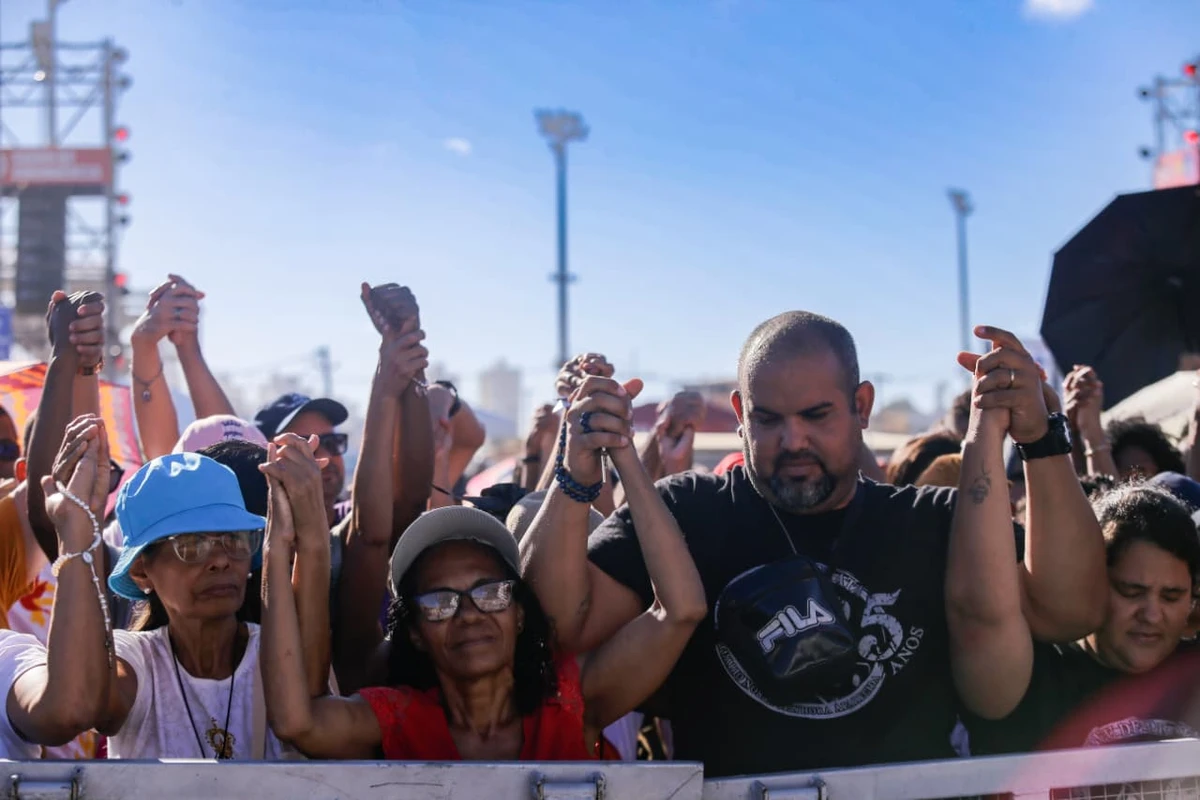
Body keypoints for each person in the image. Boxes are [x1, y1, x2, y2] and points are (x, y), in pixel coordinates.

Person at [522, 312, 1105, 777]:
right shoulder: (687, 513)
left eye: (817, 415)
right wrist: (573, 473)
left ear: (861, 407)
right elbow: (555, 627)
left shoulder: (934, 521)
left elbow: (1069, 610)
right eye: (769, 418)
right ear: (740, 415)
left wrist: (1040, 440)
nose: (792, 439)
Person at [261, 379, 707, 761]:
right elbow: (297, 722)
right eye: (439, 603)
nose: (469, 614)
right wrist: (280, 545)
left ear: (518, 612)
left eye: (490, 593)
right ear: (414, 631)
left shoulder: (571, 703)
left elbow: (682, 609)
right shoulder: (397, 719)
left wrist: (622, 452)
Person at [22, 414, 288, 759]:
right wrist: (75, 532)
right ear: (140, 571)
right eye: (192, 545)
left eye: (234, 539)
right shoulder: (135, 663)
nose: (221, 560)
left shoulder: (279, 653)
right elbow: (71, 707)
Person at [962, 484, 1200, 753]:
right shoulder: (1029, 676)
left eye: (1171, 596)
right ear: (1089, 582)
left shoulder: (1192, 672)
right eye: (1131, 592)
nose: (1152, 614)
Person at [254, 393, 349, 527]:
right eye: (304, 446)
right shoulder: (251, 537)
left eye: (332, 442)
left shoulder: (362, 525)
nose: (326, 457)